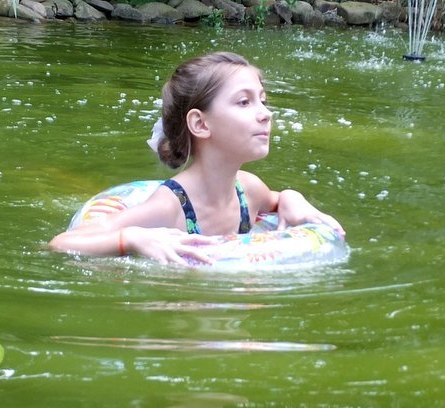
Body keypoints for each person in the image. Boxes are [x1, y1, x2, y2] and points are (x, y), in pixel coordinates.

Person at [49, 51, 344, 265]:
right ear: (200, 124)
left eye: (263, 101)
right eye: (244, 102)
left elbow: (275, 200)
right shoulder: (170, 207)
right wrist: (133, 239)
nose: (266, 114)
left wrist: (292, 197)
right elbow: (62, 243)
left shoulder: (249, 189)